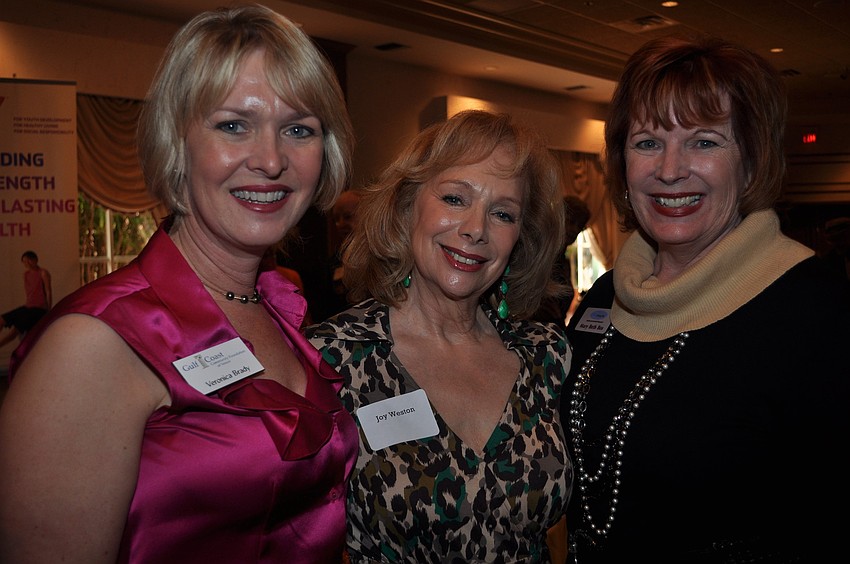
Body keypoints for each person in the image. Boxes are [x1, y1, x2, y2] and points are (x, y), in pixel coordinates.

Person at [0, 5, 357, 562]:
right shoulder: (93, 342)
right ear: (177, 141)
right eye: (233, 125)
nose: (270, 159)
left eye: (298, 129)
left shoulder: (276, 308)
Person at [559, 35, 850, 563]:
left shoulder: (817, 313)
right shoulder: (607, 294)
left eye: (705, 141)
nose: (670, 170)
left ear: (752, 160)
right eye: (648, 142)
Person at [307, 109, 573, 563]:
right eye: (454, 199)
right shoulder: (332, 359)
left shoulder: (547, 356)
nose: (475, 229)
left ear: (519, 238)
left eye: (502, 213)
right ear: (408, 206)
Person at [533, 195, 591, 326]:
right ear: (558, 218)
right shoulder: (540, 254)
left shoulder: (564, 261)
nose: (575, 230)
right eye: (571, 222)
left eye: (580, 226)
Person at [0, 251, 51, 349]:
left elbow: (48, 291)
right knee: (2, 319)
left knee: (15, 330)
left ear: (34, 260)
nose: (26, 264)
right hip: (28, 307)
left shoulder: (43, 273)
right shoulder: (26, 274)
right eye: (24, 262)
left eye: (28, 261)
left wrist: (48, 310)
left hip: (38, 309)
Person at [327, 189, 361, 315]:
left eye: (347, 217)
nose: (340, 224)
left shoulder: (378, 255)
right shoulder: (335, 260)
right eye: (336, 219)